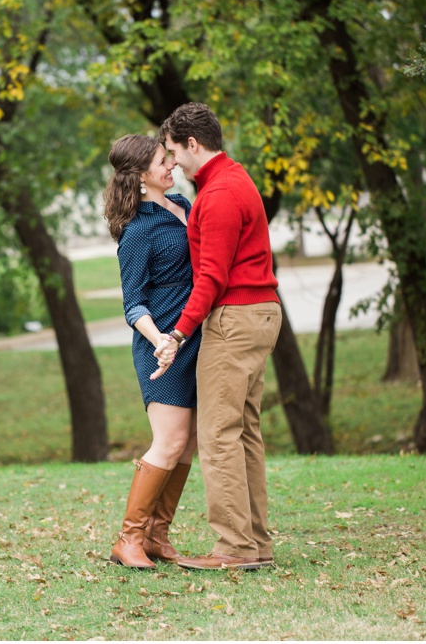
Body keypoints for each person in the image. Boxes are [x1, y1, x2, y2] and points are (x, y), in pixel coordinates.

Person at [151, 103, 281, 571]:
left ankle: (234, 548)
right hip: (257, 314)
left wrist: (180, 332)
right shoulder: (231, 179)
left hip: (236, 318)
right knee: (243, 432)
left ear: (192, 144)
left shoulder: (221, 193)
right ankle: (255, 543)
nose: (172, 162)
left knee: (218, 434)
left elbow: (212, 275)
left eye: (172, 151)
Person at [101, 134, 201, 569]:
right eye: (163, 161)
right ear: (142, 175)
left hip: (194, 337)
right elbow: (133, 303)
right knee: (169, 441)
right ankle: (129, 539)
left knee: (187, 443)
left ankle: (157, 536)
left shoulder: (184, 205)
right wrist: (160, 338)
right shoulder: (138, 231)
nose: (172, 165)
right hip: (161, 347)